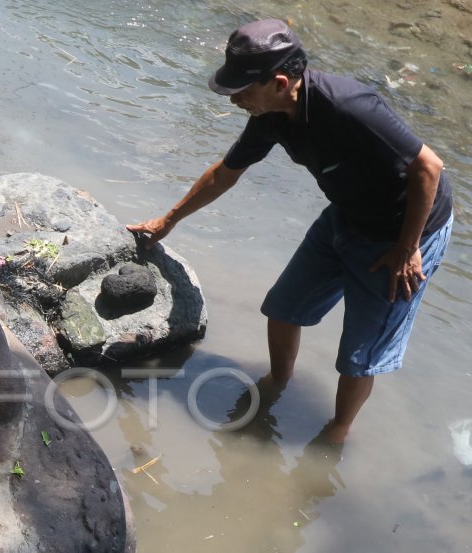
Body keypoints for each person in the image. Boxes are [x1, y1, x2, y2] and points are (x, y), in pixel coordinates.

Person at [127, 19, 453, 443]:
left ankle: (336, 434)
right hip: (347, 215)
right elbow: (226, 174)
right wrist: (167, 220)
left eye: (243, 91)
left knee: (358, 356)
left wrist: (409, 248)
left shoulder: (349, 106)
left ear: (280, 82)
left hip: (404, 232)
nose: (236, 101)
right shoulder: (271, 115)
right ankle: (277, 382)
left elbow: (428, 167)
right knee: (282, 308)